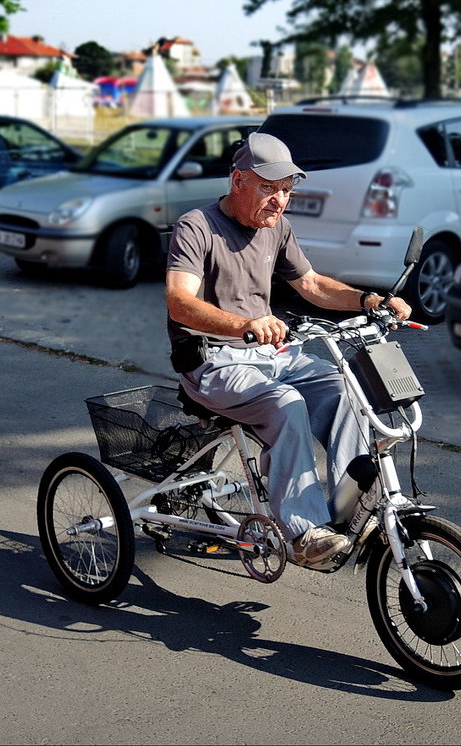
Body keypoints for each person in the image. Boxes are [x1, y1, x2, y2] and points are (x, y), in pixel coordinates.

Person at [165, 132, 412, 567]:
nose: (280, 201)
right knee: (287, 404)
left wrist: (370, 301)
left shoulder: (276, 227)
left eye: (286, 190)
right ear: (238, 180)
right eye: (269, 188)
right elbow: (179, 302)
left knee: (344, 388)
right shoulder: (197, 226)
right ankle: (304, 534)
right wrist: (245, 324)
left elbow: (313, 285)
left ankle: (349, 508)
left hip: (271, 355)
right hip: (212, 361)